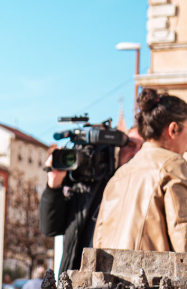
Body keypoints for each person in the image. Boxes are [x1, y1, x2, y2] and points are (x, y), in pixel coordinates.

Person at [93, 88, 187, 252]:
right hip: (152, 269)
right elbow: (182, 237)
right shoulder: (172, 163)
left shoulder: (119, 174)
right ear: (173, 129)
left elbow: (98, 242)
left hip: (112, 269)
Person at [40, 127, 142, 273]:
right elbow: (50, 228)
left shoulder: (146, 189)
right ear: (117, 149)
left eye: (143, 147)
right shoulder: (84, 187)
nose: (137, 152)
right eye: (130, 145)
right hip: (76, 280)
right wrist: (54, 183)